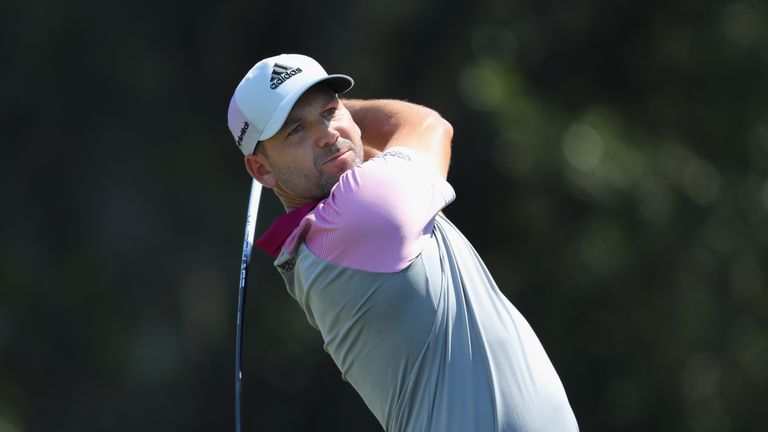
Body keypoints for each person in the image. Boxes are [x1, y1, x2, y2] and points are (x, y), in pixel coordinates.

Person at [227, 53, 579, 431]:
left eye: (330, 111)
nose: (326, 134)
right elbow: (428, 125)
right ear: (261, 169)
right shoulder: (359, 212)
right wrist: (349, 115)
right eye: (295, 130)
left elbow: (375, 157)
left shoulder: (327, 235)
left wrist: (332, 128)